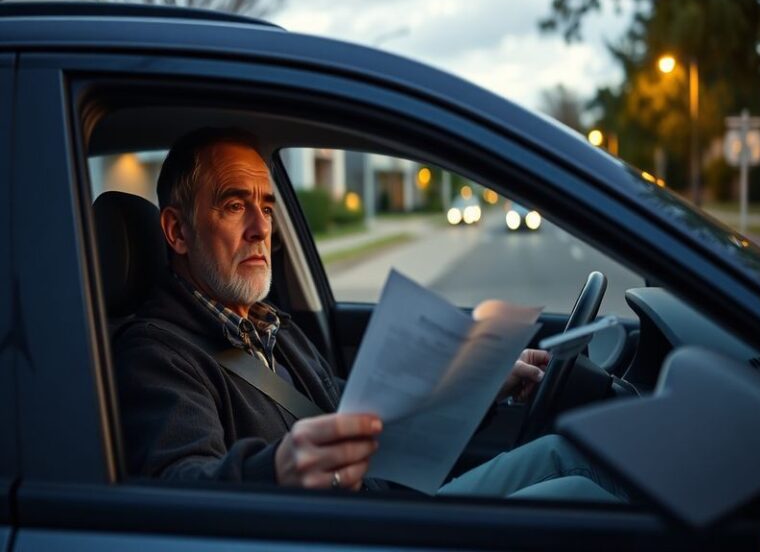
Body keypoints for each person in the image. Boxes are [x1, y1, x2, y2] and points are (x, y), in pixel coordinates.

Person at [114, 127, 628, 499]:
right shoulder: (155, 353)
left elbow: (347, 409)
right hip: (347, 536)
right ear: (177, 232)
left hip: (388, 507)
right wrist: (277, 470)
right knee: (587, 499)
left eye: (266, 207)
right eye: (233, 205)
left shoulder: (269, 324)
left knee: (572, 458)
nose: (260, 228)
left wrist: (474, 382)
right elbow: (175, 487)